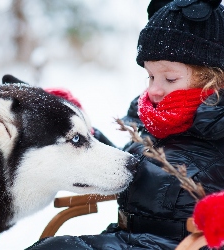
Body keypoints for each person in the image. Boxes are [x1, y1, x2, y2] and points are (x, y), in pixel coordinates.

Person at [26, 0, 224, 249]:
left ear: (212, 77)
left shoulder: (218, 125)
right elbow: (131, 167)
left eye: (169, 78)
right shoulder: (153, 122)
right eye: (150, 76)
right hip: (128, 236)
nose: (154, 89)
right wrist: (83, 134)